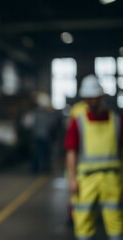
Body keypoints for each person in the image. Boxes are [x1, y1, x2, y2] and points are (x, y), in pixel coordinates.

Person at [64, 74, 123, 240]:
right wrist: (73, 179)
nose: (90, 102)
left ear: (101, 97)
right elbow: (71, 152)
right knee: (83, 221)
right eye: (87, 99)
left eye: (93, 98)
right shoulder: (79, 121)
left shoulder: (117, 121)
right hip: (86, 180)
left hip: (112, 179)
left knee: (116, 221)